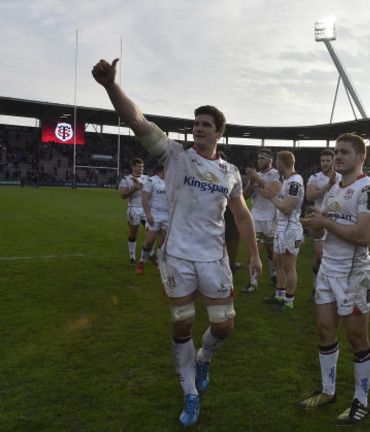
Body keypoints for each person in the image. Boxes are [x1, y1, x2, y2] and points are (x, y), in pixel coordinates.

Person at [92, 58, 262, 427]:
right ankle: (190, 393)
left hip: (214, 259)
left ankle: (204, 358)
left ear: (219, 133)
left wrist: (254, 254)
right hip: (178, 258)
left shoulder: (229, 172)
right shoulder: (174, 156)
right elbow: (137, 120)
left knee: (223, 326)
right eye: (196, 123)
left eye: (206, 125)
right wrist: (111, 87)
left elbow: (243, 216)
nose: (198, 128)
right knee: (182, 324)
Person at [299, 133, 370, 426]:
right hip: (328, 269)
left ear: (361, 158)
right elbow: (326, 229)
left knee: (357, 337)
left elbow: (363, 236)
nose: (337, 157)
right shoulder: (334, 187)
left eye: (344, 152)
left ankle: (361, 400)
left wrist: (325, 222)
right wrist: (315, 226)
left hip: (354, 274)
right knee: (325, 331)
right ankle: (328, 390)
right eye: (336, 152)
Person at [260, 150, 304, 311]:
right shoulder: (287, 180)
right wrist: (272, 196)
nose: (276, 164)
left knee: (288, 266)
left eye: (277, 161)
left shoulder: (295, 181)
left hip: (291, 229)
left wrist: (271, 197)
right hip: (282, 227)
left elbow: (286, 208)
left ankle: (288, 301)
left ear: (282, 162)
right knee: (278, 261)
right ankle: (279, 294)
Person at [241, 148, 281, 293]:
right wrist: (252, 182)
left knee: (270, 250)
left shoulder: (276, 174)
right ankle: (253, 283)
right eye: (258, 158)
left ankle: (273, 275)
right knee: (254, 250)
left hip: (271, 216)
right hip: (256, 215)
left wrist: (255, 178)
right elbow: (244, 196)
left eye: (262, 159)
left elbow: (272, 191)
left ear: (270, 161)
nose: (259, 161)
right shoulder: (255, 175)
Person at [305, 149, 341, 294]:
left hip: (337, 220)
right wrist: (328, 185)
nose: (325, 164)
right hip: (319, 220)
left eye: (328, 161)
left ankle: (332, 287)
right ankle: (316, 285)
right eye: (323, 161)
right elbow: (309, 197)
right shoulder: (315, 178)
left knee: (335, 258)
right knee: (319, 257)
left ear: (333, 161)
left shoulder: (341, 177)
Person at [137, 162, 168, 274]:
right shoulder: (151, 180)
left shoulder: (172, 181)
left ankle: (160, 266)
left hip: (167, 216)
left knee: (163, 243)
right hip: (154, 215)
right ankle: (142, 261)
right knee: (149, 241)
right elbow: (144, 199)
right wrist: (148, 214)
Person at [119, 158, 150, 265]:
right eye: (138, 166)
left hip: (146, 209)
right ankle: (132, 257)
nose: (141, 168)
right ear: (133, 167)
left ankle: (149, 255)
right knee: (133, 234)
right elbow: (123, 195)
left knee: (151, 233)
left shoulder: (147, 179)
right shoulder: (126, 179)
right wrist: (134, 189)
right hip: (134, 208)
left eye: (142, 166)